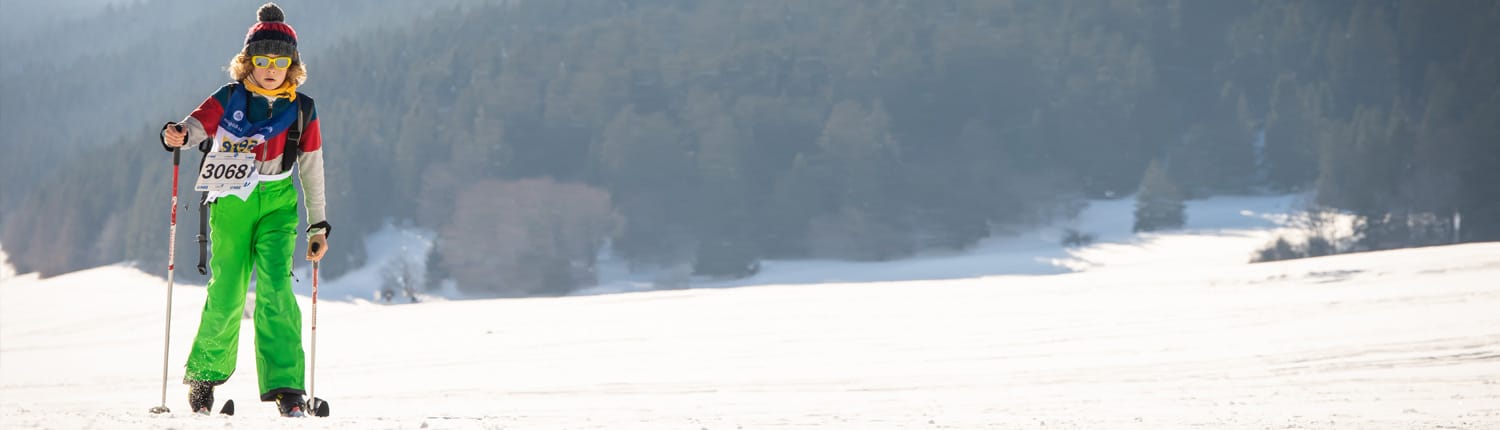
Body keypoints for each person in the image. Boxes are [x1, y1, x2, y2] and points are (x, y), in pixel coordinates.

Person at [159, 2, 329, 417]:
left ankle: (288, 388)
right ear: (247, 61)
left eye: (280, 60)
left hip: (276, 202)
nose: (271, 67)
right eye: (262, 59)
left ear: (292, 64)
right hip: (232, 201)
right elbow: (190, 129)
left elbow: (312, 167)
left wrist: (318, 223)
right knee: (228, 289)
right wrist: (176, 134)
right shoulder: (228, 98)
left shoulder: (302, 109)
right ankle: (203, 378)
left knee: (276, 288)